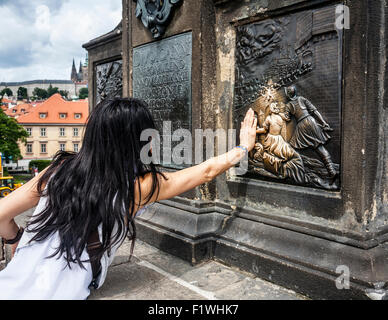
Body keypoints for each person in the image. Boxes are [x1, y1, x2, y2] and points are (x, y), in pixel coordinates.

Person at [0, 98, 257, 300]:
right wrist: (244, 147)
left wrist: (15, 238)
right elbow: (206, 172)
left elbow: (1, 213)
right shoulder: (135, 188)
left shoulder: (57, 170)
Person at [284, 85, 337, 178]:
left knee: (292, 146)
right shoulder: (302, 99)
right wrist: (323, 123)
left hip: (302, 125)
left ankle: (296, 168)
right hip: (311, 121)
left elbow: (287, 118)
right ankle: (331, 170)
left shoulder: (288, 105)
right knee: (319, 147)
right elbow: (315, 111)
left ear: (288, 95)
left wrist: (283, 114)